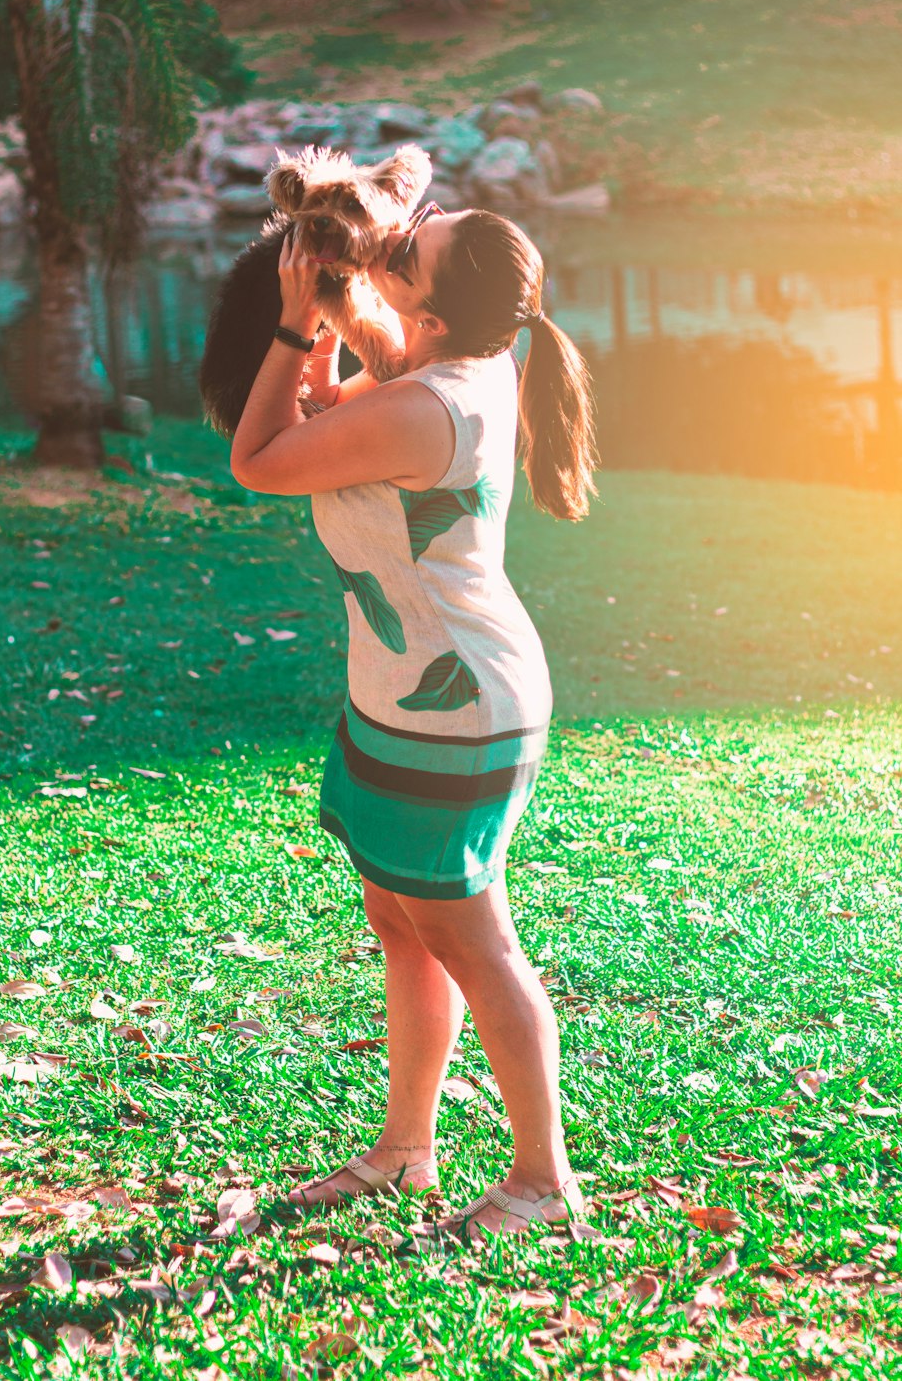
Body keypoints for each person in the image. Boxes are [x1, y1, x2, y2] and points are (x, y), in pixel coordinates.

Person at [229, 204, 597, 1239]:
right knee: (402, 924)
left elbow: (260, 457)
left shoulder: (426, 406)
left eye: (408, 252)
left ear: (432, 321)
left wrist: (301, 321)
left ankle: (541, 1182)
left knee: (473, 940)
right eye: (423, 223)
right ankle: (404, 1153)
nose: (410, 226)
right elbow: (346, 394)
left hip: (459, 706)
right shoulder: (456, 363)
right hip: (407, 692)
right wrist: (340, 305)